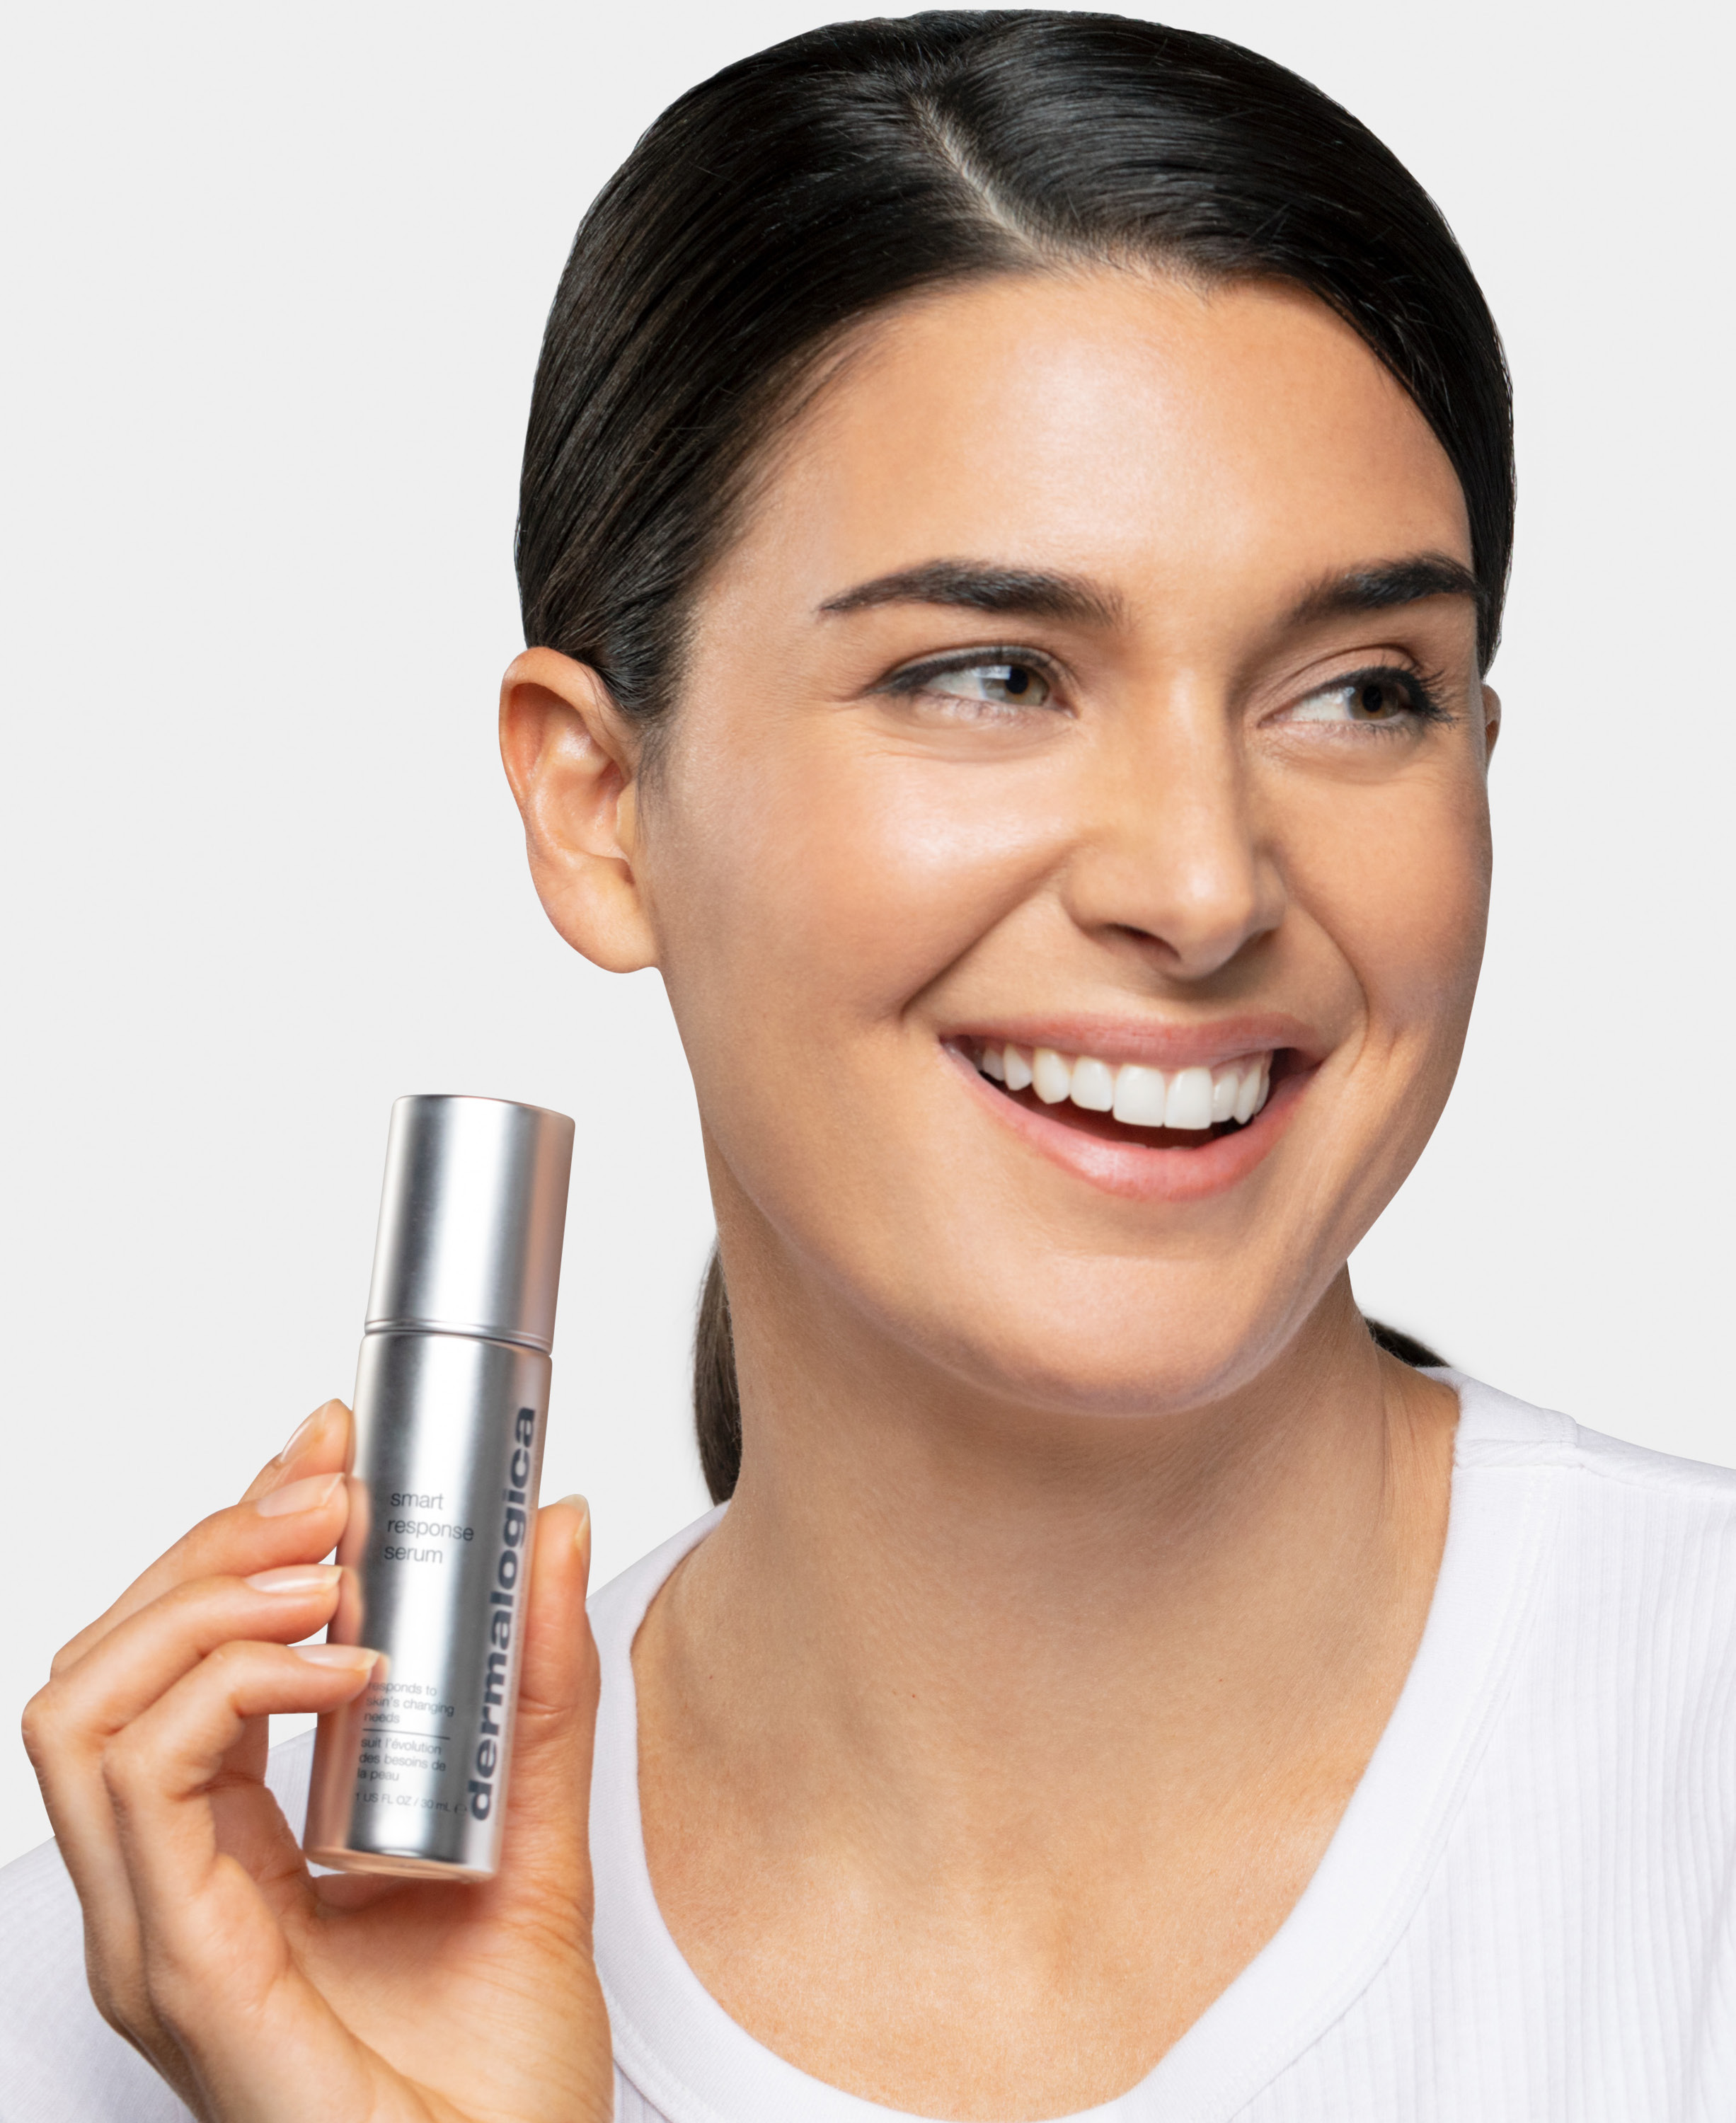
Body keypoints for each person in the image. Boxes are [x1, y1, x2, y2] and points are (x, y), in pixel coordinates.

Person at [5, 13, 1733, 2121]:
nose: (1203, 885)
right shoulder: (155, 1989)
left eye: (1364, 690)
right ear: (594, 801)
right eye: (992, 676)